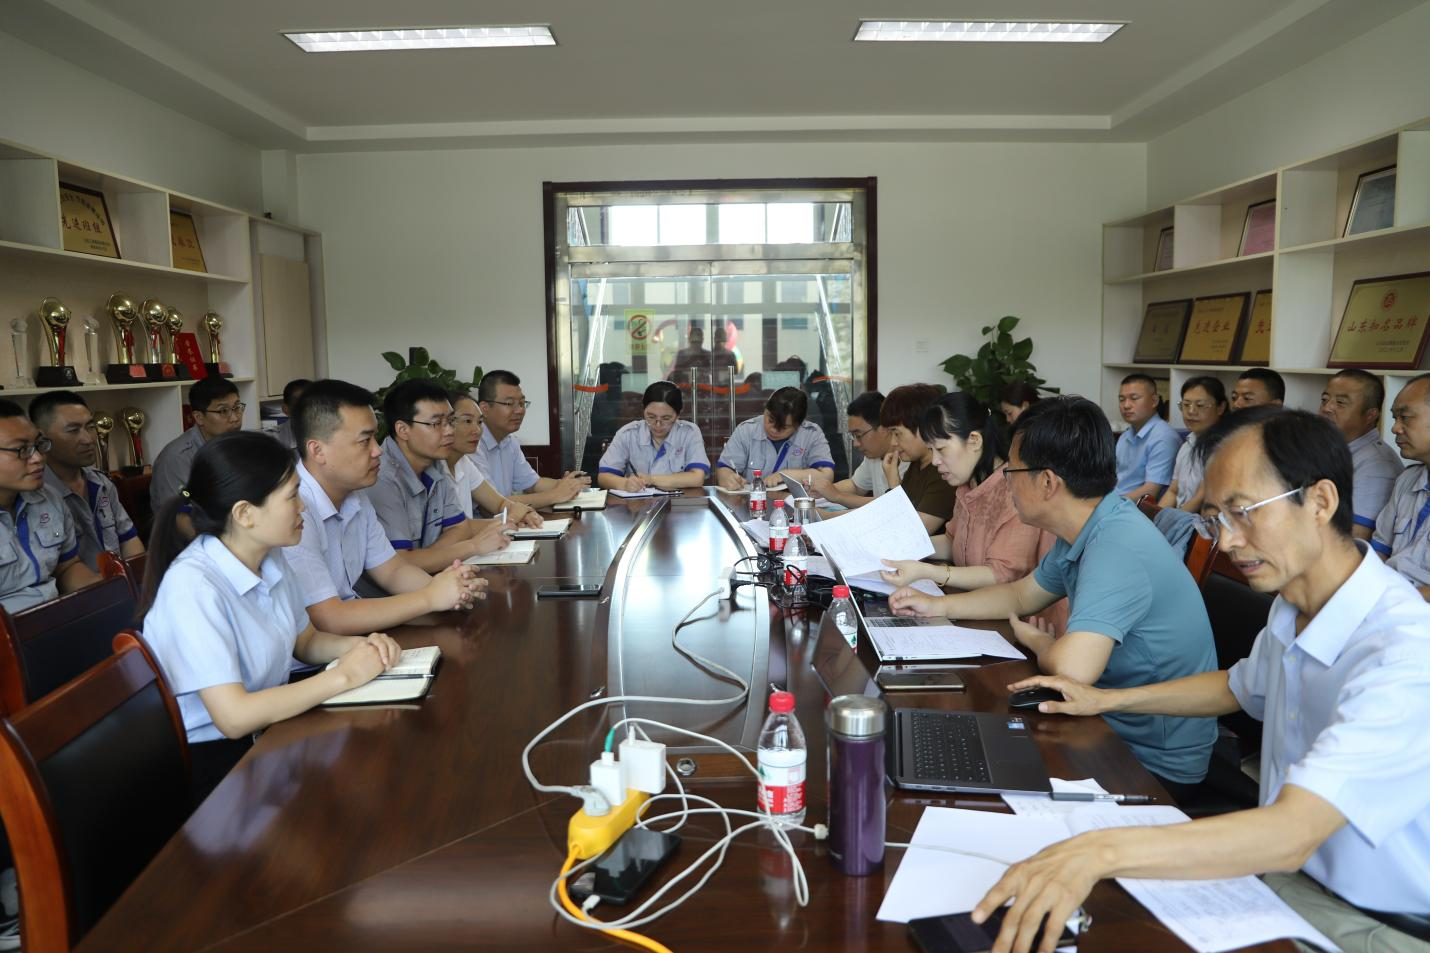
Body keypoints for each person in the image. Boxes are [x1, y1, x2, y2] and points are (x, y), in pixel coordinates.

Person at [977, 409, 1430, 953]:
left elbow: (1293, 832)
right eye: (1217, 518)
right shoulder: (1295, 604)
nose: (1228, 541)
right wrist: (1104, 698)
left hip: (1373, 922)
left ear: (1321, 501)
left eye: (1244, 513)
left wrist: (1100, 851)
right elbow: (1235, 688)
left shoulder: (1402, 654)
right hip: (1284, 878)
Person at [888, 396, 1217, 791]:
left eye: (1012, 471)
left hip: (1147, 758)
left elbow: (1073, 670)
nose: (1006, 482)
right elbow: (1020, 596)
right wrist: (935, 605)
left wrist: (1041, 642)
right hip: (1100, 719)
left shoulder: (1116, 545)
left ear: (1047, 482)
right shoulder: (1089, 523)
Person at [138, 431, 403, 801]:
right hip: (216, 766)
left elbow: (306, 641)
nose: (303, 507)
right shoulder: (193, 586)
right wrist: (344, 675)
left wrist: (363, 647)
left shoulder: (269, 555)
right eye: (292, 496)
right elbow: (234, 717)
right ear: (244, 514)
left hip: (269, 733)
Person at [283, 379, 488, 636]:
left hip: (351, 640)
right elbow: (329, 618)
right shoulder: (292, 509)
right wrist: (430, 597)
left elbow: (393, 571)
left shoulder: (355, 496)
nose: (377, 451)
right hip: (315, 652)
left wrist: (451, 589)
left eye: (374, 437)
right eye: (365, 440)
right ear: (317, 450)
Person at [879, 393, 1065, 630]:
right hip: (976, 611)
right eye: (931, 450)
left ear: (975, 440)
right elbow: (953, 539)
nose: (935, 461)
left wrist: (928, 571)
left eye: (941, 449)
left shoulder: (1015, 488)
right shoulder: (967, 484)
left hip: (1021, 624)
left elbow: (1002, 575)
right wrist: (900, 547)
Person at [365, 380, 510, 573]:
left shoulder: (435, 461)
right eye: (436, 423)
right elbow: (400, 563)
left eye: (450, 421)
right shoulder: (381, 477)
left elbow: (460, 527)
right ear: (403, 430)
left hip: (430, 578)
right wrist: (473, 546)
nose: (449, 431)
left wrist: (427, 559)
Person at [0, 399, 101, 612]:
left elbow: (67, 567)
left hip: (56, 616)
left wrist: (107, 592)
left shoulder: (49, 499)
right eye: (22, 450)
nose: (38, 458)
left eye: (38, 445)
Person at [30, 391, 143, 571]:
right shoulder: (34, 495)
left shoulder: (101, 483)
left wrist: (136, 577)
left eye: (90, 427)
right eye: (73, 430)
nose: (88, 439)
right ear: (41, 439)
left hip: (119, 582)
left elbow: (129, 540)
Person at [473, 370, 590, 506]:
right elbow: (490, 505)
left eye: (522, 403)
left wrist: (566, 484)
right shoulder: (472, 445)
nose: (519, 410)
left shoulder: (510, 442)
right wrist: (555, 495)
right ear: (485, 409)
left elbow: (533, 484)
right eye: (509, 403)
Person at [1321, 368, 1403, 540]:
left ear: (1370, 415)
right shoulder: (1328, 448)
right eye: (1324, 399)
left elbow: (1354, 539)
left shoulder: (1377, 466)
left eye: (1340, 403)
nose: (1327, 408)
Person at [441, 392, 542, 525]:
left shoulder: (464, 462)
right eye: (467, 421)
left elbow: (499, 503)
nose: (477, 430)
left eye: (480, 422)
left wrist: (524, 512)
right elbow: (457, 529)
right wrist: (510, 519)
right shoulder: (435, 469)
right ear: (446, 423)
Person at [1373, 373, 1430, 600]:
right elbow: (1379, 552)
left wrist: (1394, 603)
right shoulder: (1407, 480)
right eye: (1395, 418)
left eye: (1405, 417)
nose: (1395, 428)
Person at [596, 380, 709, 491]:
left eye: (666, 418)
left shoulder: (689, 433)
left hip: (678, 501)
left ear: (678, 415)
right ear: (643, 410)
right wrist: (625, 484)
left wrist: (651, 479)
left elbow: (697, 477)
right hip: (637, 502)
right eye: (651, 417)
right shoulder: (628, 434)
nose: (658, 424)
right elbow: (604, 477)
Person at [151, 376, 243, 510]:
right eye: (223, 411)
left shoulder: (239, 445)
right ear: (199, 417)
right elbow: (182, 516)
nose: (235, 418)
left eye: (237, 407)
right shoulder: (177, 459)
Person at [715, 387, 835, 490]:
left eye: (783, 427)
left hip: (796, 504)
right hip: (753, 503)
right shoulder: (746, 430)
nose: (773, 430)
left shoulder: (812, 434)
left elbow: (827, 475)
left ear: (798, 424)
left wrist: (785, 475)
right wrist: (728, 478)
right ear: (765, 410)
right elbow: (724, 469)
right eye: (770, 420)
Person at [875, 384, 955, 533]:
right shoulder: (917, 464)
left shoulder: (944, 472)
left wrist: (893, 483)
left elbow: (912, 533)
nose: (893, 442)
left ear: (924, 428)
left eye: (897, 433)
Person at [807, 391, 907, 508]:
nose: (855, 443)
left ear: (884, 429)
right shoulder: (873, 456)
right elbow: (856, 486)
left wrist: (838, 496)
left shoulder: (908, 459)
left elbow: (891, 503)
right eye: (853, 436)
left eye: (859, 435)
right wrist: (822, 489)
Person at [1158, 376, 1228, 512]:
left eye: (1200, 405)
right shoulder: (1187, 444)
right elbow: (1173, 491)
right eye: (1186, 405)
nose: (1191, 411)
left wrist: (1172, 521)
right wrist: (1156, 518)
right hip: (1180, 516)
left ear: (1220, 407)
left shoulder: (1223, 447)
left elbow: (1199, 499)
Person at [1114, 373, 1182, 500]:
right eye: (1122, 399)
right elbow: (1117, 479)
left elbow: (1150, 491)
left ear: (1154, 401)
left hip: (1134, 507)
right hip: (1117, 501)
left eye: (1134, 398)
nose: (1126, 405)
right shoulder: (1125, 436)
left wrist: (1109, 504)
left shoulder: (1163, 437)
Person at [273, 378, 311, 450]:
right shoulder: (273, 441)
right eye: (302, 406)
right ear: (286, 410)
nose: (311, 410)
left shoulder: (330, 435)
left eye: (315, 404)